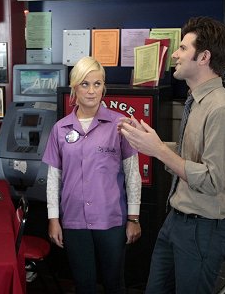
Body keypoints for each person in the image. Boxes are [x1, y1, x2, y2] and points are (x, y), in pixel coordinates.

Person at [118, 16, 225, 294]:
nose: (175, 54)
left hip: (204, 230)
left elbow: (213, 180)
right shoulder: (197, 100)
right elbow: (191, 156)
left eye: (183, 48)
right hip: (177, 220)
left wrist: (158, 150)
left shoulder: (222, 110)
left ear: (204, 57)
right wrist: (148, 142)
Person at [42, 56, 142, 294]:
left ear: (103, 87)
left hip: (111, 220)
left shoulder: (120, 124)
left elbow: (132, 174)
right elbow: (53, 178)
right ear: (74, 87)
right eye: (85, 84)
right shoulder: (61, 129)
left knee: (114, 284)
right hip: (74, 220)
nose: (91, 91)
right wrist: (53, 218)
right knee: (83, 285)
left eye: (97, 84)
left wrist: (134, 218)